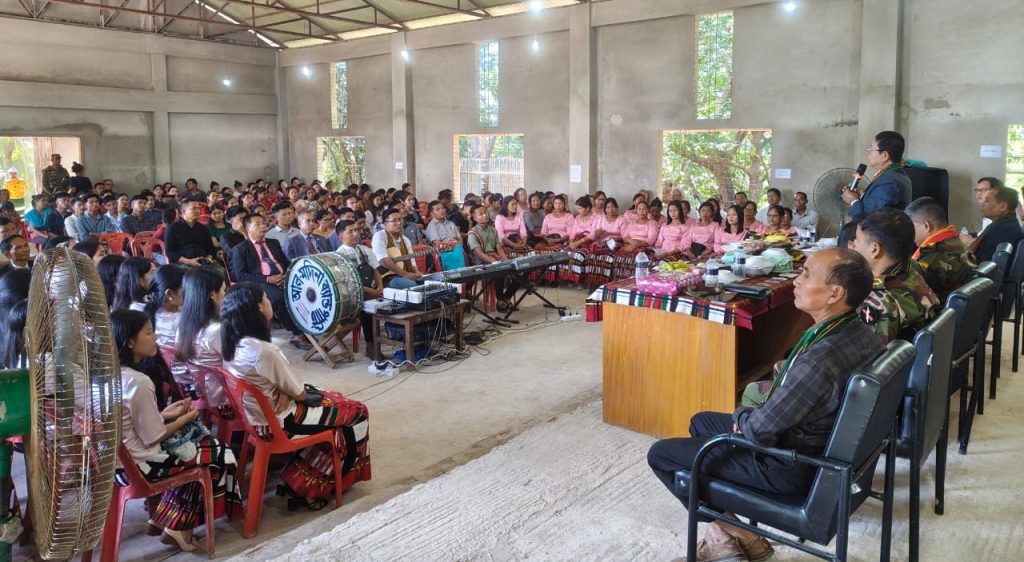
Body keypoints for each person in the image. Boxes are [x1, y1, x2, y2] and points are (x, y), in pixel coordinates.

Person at [648, 248, 883, 562]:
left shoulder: (818, 363)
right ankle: (724, 533)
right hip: (821, 448)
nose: (796, 281)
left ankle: (741, 535)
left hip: (792, 465)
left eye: (806, 275)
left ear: (834, 294)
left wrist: (743, 416)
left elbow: (759, 431)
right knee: (701, 422)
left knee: (662, 455)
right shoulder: (859, 332)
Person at [219, 283, 370, 507]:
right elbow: (298, 392)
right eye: (266, 299)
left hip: (258, 420)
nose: (270, 302)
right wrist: (292, 393)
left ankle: (303, 478)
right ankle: (319, 486)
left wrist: (286, 392)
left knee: (333, 400)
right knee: (356, 411)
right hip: (283, 421)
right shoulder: (265, 352)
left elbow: (283, 387)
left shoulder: (232, 344)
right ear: (258, 308)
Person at [111, 309, 241, 552]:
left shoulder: (108, 378)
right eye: (148, 333)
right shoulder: (138, 382)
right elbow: (154, 436)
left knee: (200, 445)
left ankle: (163, 517)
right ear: (129, 342)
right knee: (219, 453)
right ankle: (179, 528)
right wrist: (185, 419)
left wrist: (165, 414)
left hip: (116, 466)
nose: (155, 337)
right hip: (141, 466)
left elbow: (130, 422)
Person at [850, 208, 940, 343]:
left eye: (857, 239)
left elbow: (870, 352)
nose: (853, 244)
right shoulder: (913, 274)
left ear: (874, 249)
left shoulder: (878, 301)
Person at [229, 214, 310, 350]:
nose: (263, 226)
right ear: (248, 229)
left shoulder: (273, 243)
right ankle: (297, 334)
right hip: (260, 283)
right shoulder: (240, 249)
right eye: (258, 224)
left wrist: (286, 276)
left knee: (306, 289)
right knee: (279, 297)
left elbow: (286, 263)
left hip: (282, 278)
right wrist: (267, 279)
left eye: (263, 223)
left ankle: (310, 325)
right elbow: (240, 276)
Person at [175, 266, 231, 416]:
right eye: (224, 290)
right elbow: (238, 367)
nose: (226, 295)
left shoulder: (183, 325)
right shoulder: (215, 331)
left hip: (204, 394)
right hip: (226, 400)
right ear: (212, 295)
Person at [905, 197, 976, 302]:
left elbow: (906, 295)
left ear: (926, 226)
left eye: (911, 228)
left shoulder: (933, 258)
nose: (909, 234)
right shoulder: (958, 242)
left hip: (940, 310)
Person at [336, 220, 383, 357]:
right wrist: (371, 291)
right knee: (368, 308)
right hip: (352, 294)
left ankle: (393, 339)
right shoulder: (340, 255)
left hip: (371, 290)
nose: (356, 234)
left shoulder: (364, 250)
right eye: (350, 231)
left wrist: (380, 287)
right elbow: (350, 283)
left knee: (392, 302)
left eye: (356, 230)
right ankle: (370, 346)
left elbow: (375, 270)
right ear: (341, 237)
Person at [843, 131, 912, 220]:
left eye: (871, 149)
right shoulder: (898, 175)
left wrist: (853, 201)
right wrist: (863, 195)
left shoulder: (890, 182)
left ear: (884, 155)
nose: (869, 154)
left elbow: (870, 219)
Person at [467, 204, 517, 310]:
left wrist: (506, 261)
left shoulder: (493, 230)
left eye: (485, 213)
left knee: (521, 270)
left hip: (495, 258)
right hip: (482, 262)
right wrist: (495, 261)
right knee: (499, 269)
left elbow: (499, 248)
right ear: (475, 218)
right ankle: (500, 301)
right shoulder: (472, 234)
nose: (485, 215)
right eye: (481, 214)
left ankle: (506, 297)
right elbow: (480, 254)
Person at [963, 185, 1024, 263]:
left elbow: (984, 263)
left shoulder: (1001, 229)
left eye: (987, 201)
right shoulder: (1008, 223)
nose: (982, 204)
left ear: (1002, 206)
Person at [371, 208, 422, 289]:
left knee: (430, 281)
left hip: (404, 275)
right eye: (394, 221)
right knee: (412, 285)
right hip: (386, 277)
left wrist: (416, 271)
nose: (399, 223)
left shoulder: (405, 240)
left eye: (400, 219)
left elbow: (411, 260)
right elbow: (384, 260)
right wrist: (405, 274)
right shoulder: (379, 236)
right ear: (385, 224)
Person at [165, 200, 216, 267]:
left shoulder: (204, 228)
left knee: (221, 272)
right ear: (183, 212)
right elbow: (169, 252)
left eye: (198, 208)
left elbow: (210, 249)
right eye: (194, 208)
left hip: (203, 262)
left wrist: (208, 258)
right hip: (182, 264)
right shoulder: (172, 228)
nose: (198, 211)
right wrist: (189, 262)